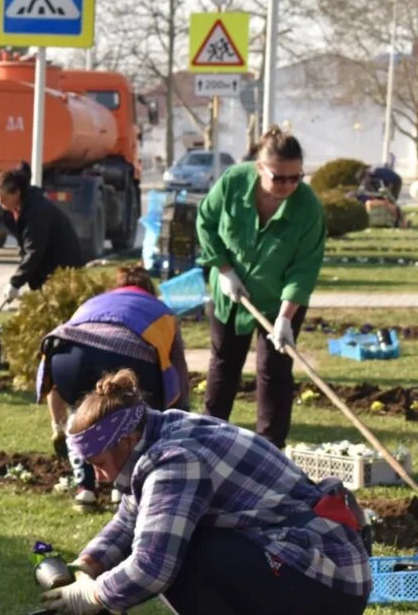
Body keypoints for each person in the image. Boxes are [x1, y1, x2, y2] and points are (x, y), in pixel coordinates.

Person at [40, 370, 371, 615]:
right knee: (165, 534)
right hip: (311, 564)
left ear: (125, 441)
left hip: (325, 581)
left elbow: (153, 566)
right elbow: (131, 517)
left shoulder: (174, 460)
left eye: (99, 463)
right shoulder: (156, 430)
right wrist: (87, 566)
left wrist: (94, 595)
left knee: (179, 552)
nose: (98, 476)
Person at [196, 127, 325, 451]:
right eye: (280, 178)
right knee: (224, 363)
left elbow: (304, 267)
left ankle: (271, 450)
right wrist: (224, 269)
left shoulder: (307, 208)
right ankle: (209, 441)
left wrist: (284, 318)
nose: (289, 186)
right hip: (230, 292)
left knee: (275, 371)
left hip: (279, 300)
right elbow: (206, 222)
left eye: (296, 177)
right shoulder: (233, 182)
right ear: (259, 167)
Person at [36, 264, 189, 511]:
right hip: (132, 356)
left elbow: (53, 384)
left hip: (66, 354)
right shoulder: (163, 312)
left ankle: (85, 489)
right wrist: (179, 413)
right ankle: (123, 489)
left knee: (85, 413)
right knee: (131, 419)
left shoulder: (96, 301)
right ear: (149, 289)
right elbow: (178, 370)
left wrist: (60, 425)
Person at [0, 163, 83, 303]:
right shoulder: (15, 211)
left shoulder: (36, 212)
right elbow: (25, 247)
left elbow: (34, 250)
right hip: (44, 269)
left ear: (16, 193)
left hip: (61, 269)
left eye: (3, 198)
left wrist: (15, 282)